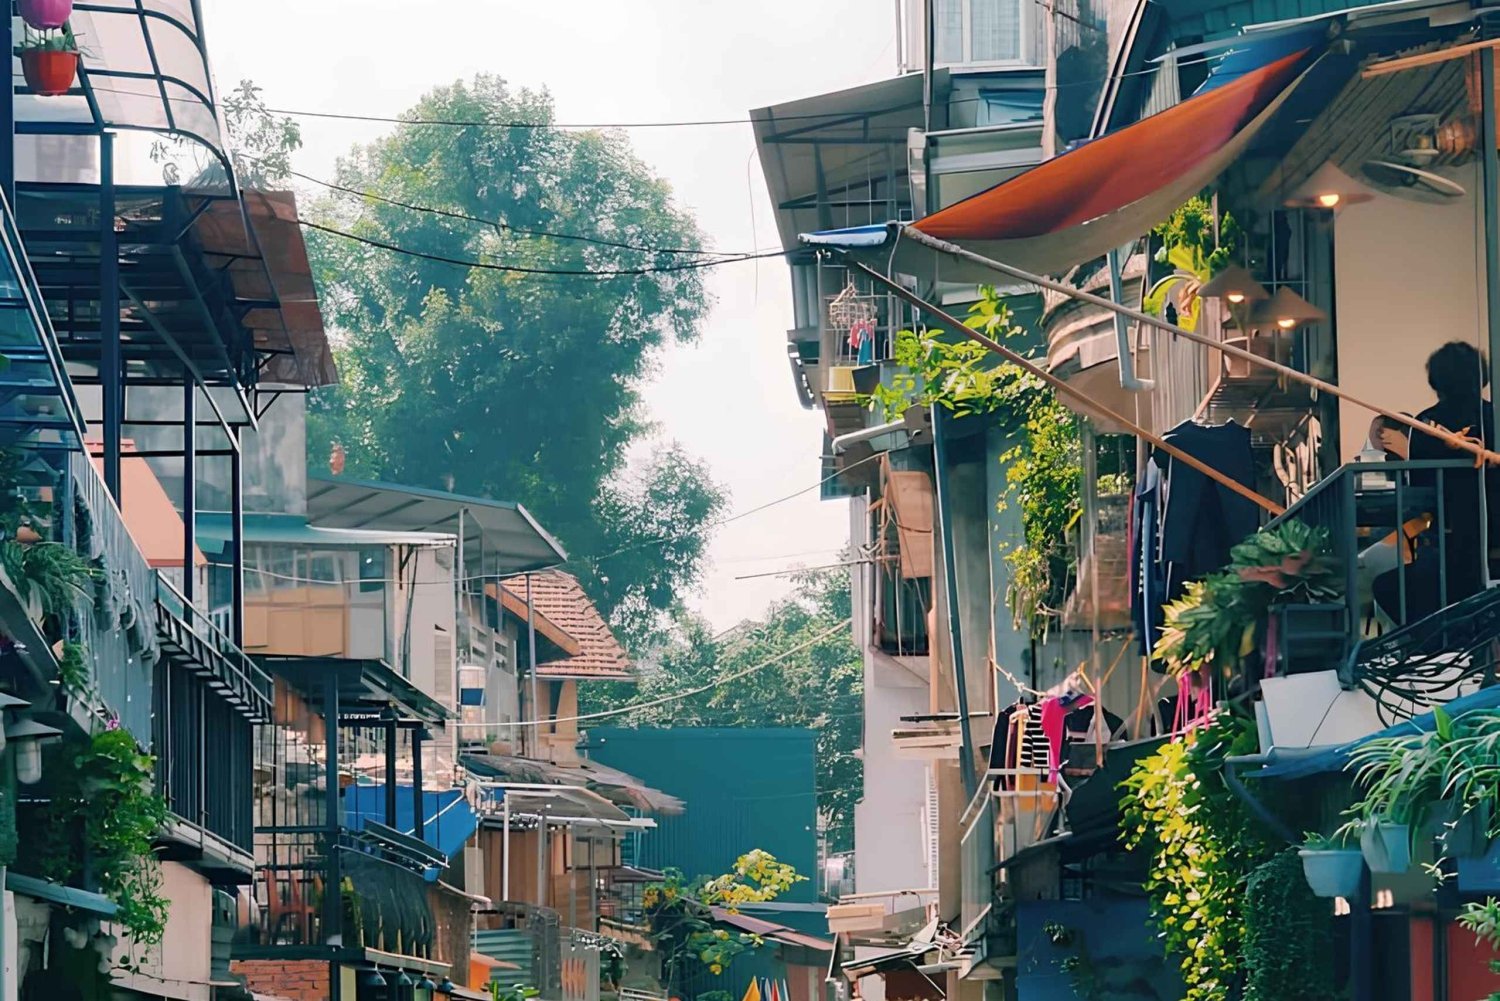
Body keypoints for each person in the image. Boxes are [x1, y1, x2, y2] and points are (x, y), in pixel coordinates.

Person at [1373, 341, 1500, 624]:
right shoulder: (1495, 418)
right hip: (1493, 542)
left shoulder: (1426, 424)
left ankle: (1440, 642)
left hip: (1453, 549)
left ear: (1436, 381)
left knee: (1387, 586)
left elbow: (1420, 492)